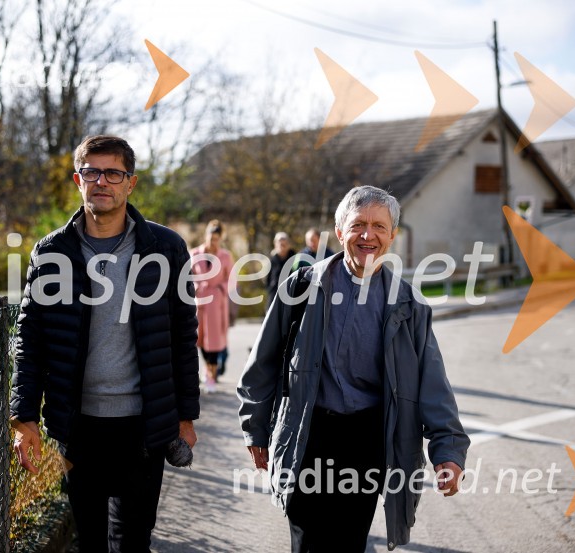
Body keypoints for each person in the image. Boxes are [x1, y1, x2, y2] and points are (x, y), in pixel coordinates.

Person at [238, 185, 469, 552]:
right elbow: (262, 363)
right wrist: (256, 427)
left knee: (349, 540)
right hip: (308, 434)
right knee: (308, 539)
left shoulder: (409, 305)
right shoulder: (301, 286)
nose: (368, 235)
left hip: (367, 440)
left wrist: (448, 451)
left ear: (392, 235)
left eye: (379, 226)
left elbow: (433, 384)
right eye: (358, 224)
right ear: (340, 230)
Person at [10, 135, 200, 552]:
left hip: (144, 425)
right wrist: (24, 418)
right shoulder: (51, 252)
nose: (102, 181)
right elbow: (30, 340)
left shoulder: (166, 249)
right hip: (78, 425)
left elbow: (184, 336)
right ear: (78, 180)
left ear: (130, 183)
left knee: (133, 540)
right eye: (92, 172)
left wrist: (186, 415)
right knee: (90, 540)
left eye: (113, 173)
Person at [190, 220, 234, 393]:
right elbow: (187, 276)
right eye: (210, 238)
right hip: (199, 302)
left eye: (216, 239)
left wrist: (220, 290)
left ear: (220, 239)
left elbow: (231, 279)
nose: (213, 242)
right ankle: (208, 370)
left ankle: (211, 376)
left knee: (214, 342)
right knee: (199, 339)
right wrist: (195, 288)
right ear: (205, 236)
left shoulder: (225, 256)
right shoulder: (194, 254)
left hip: (216, 303)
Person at [265, 232, 296, 311]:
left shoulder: (294, 258)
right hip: (274, 293)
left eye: (284, 244)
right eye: (280, 244)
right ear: (275, 244)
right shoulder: (272, 259)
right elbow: (268, 278)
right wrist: (270, 288)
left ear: (288, 244)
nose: (282, 247)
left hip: (291, 293)